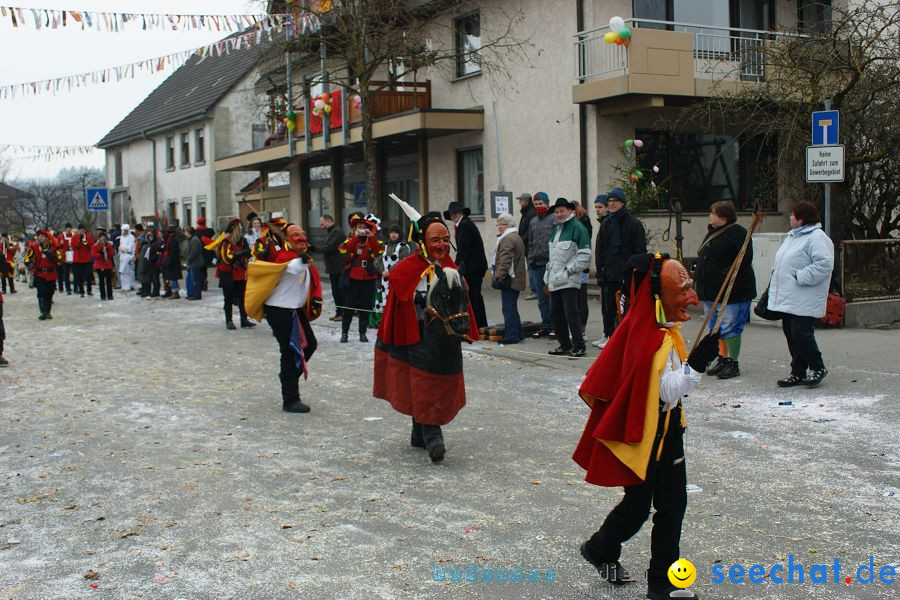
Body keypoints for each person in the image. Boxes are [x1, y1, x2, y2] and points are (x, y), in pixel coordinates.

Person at [573, 254, 721, 600]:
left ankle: (601, 548)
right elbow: (666, 390)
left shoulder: (657, 332)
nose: (692, 298)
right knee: (668, 505)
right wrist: (697, 363)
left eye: (690, 288)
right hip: (654, 435)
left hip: (663, 429)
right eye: (682, 291)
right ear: (658, 297)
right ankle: (663, 584)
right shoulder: (651, 339)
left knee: (644, 504)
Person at [373, 210, 480, 464]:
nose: (442, 244)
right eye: (435, 240)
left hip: (447, 335)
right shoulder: (409, 266)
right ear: (423, 242)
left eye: (445, 239)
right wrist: (422, 297)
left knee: (438, 380)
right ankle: (433, 436)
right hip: (418, 333)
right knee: (423, 382)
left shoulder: (450, 266)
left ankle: (418, 432)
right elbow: (401, 288)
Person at [245, 224, 322, 413]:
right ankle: (290, 399)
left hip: (294, 310)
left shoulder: (299, 258)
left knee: (309, 344)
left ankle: (288, 378)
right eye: (296, 236)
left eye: (303, 235)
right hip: (279, 310)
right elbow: (293, 268)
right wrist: (302, 258)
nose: (302, 239)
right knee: (289, 352)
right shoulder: (286, 258)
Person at [770, 200, 834, 388]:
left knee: (801, 334)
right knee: (791, 333)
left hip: (805, 296)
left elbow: (824, 264)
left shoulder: (817, 238)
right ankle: (797, 371)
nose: (790, 217)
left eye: (793, 214)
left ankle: (818, 367)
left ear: (802, 218)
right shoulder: (793, 237)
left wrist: (800, 276)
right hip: (790, 297)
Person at [692, 201, 756, 379]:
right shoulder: (713, 233)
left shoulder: (738, 234)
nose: (709, 216)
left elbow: (743, 262)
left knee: (730, 327)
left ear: (723, 217)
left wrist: (725, 274)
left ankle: (732, 362)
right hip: (711, 291)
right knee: (715, 329)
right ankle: (722, 357)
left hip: (734, 292)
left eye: (712, 213)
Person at [595, 187, 647, 348]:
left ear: (622, 203)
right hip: (610, 274)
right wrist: (600, 271)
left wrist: (634, 272)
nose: (611, 204)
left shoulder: (634, 224)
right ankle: (610, 336)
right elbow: (600, 249)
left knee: (625, 310)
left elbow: (639, 251)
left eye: (614, 201)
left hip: (627, 275)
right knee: (609, 309)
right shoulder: (606, 223)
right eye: (609, 201)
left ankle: (626, 340)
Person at [545, 198, 591, 357]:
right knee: (555, 315)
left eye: (561, 211)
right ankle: (564, 344)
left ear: (570, 211)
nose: (558, 214)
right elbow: (553, 258)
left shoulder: (578, 228)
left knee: (571, 314)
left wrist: (568, 272)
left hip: (569, 281)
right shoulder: (555, 230)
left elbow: (584, 255)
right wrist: (547, 276)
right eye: (556, 212)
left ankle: (579, 345)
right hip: (554, 280)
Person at [338, 215, 384, 343]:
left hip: (368, 277)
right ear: (354, 229)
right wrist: (355, 237)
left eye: (364, 228)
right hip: (353, 276)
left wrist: (371, 237)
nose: (362, 230)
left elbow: (377, 252)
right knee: (349, 306)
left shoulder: (374, 241)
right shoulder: (349, 241)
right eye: (359, 228)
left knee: (366, 306)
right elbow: (347, 251)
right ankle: (344, 333)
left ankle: (362, 333)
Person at [444, 201, 488, 329]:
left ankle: (478, 325)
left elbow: (463, 250)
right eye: (452, 214)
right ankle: (480, 324)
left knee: (474, 296)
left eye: (456, 213)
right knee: (475, 296)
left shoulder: (464, 226)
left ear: (461, 213)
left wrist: (455, 266)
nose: (453, 215)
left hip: (473, 268)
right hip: (475, 266)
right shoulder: (463, 224)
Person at [491, 213, 526, 344]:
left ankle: (512, 335)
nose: (499, 226)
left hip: (510, 279)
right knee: (511, 307)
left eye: (503, 224)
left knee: (508, 308)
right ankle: (518, 333)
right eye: (498, 224)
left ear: (509, 225)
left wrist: (499, 276)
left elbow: (506, 260)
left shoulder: (508, 239)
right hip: (514, 277)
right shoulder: (514, 236)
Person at [213, 218, 254, 329]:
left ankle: (244, 320)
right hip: (228, 274)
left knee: (242, 298)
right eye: (240, 226)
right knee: (228, 299)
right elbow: (227, 258)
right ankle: (229, 321)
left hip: (240, 273)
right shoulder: (226, 241)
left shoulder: (242, 241)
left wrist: (248, 253)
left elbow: (248, 255)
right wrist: (241, 253)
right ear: (235, 228)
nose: (242, 227)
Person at [372, 223, 411, 326]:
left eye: (396, 233)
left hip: (398, 281)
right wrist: (382, 271)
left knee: (396, 304)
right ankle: (386, 323)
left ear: (399, 234)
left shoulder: (403, 247)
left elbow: (403, 261)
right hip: (385, 280)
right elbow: (377, 260)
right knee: (385, 303)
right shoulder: (384, 246)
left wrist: (391, 272)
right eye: (391, 233)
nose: (393, 235)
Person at [527, 192, 554, 337]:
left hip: (550, 265)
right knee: (541, 299)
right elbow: (530, 243)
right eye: (536, 204)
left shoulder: (553, 219)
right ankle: (545, 325)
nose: (538, 207)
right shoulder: (533, 221)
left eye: (541, 204)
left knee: (552, 297)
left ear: (547, 204)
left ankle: (555, 326)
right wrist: (530, 260)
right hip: (536, 265)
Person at [24, 230, 64, 320]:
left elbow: (60, 259)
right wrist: (32, 269)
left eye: (42, 236)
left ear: (47, 238)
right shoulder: (34, 247)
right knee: (41, 293)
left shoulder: (54, 248)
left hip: (51, 274)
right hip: (39, 273)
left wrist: (51, 256)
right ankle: (43, 312)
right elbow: (27, 259)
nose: (40, 238)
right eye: (39, 236)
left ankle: (48, 312)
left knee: (49, 293)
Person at [319, 214, 346, 322]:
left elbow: (329, 248)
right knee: (335, 292)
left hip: (338, 268)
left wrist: (313, 248)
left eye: (322, 223)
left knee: (339, 291)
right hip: (333, 268)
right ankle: (339, 312)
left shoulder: (337, 232)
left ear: (328, 220)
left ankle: (342, 313)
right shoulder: (332, 231)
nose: (321, 226)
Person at [591, 195, 609, 348]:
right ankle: (606, 333)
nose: (597, 210)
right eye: (596, 207)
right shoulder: (602, 223)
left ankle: (610, 334)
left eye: (600, 207)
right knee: (605, 305)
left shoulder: (608, 223)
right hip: (603, 270)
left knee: (610, 306)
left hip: (609, 271)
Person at [574, 202, 594, 332]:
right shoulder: (585, 221)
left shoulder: (582, 224)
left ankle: (582, 328)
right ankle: (579, 327)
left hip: (581, 268)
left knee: (580, 298)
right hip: (580, 267)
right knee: (578, 299)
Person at [92, 231, 115, 301]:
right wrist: (100, 254)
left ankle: (110, 295)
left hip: (108, 265)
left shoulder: (109, 245)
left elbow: (112, 253)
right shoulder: (96, 245)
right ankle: (103, 295)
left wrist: (107, 251)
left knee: (108, 281)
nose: (103, 241)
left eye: (104, 239)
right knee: (101, 281)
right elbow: (93, 254)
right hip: (100, 265)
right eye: (101, 239)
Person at [71, 224, 94, 297]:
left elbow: (90, 245)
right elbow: (74, 246)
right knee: (79, 276)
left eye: (83, 229)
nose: (82, 230)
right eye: (80, 229)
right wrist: (79, 241)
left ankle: (89, 290)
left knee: (88, 275)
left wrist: (84, 239)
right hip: (78, 260)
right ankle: (81, 291)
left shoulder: (88, 236)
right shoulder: (75, 237)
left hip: (86, 259)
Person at [195, 217, 216, 292]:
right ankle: (204, 281)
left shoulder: (196, 232)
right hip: (207, 252)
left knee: (199, 269)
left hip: (199, 251)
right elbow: (212, 234)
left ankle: (201, 283)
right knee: (204, 268)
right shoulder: (209, 231)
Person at [162, 225, 182, 299]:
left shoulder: (173, 240)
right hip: (170, 260)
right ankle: (173, 291)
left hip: (173, 262)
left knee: (173, 278)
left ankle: (175, 292)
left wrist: (169, 262)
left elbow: (173, 252)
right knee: (171, 278)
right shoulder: (169, 239)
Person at [185, 227, 204, 300]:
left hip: (195, 263)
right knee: (192, 279)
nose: (185, 233)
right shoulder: (192, 240)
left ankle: (197, 295)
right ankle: (193, 294)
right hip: (193, 263)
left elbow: (194, 252)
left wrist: (188, 260)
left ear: (189, 232)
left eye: (186, 232)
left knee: (195, 280)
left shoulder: (194, 240)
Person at [117, 224, 136, 292]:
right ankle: (124, 285)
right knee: (122, 272)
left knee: (128, 271)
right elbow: (121, 245)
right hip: (123, 256)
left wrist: (124, 249)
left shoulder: (131, 237)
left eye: (125, 231)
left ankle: (129, 285)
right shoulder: (122, 237)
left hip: (128, 256)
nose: (124, 232)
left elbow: (130, 248)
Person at [57, 223, 74, 295]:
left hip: (72, 256)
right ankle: (67, 288)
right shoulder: (61, 236)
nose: (69, 229)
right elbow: (57, 246)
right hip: (64, 257)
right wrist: (60, 244)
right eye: (67, 228)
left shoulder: (73, 235)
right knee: (65, 273)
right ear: (66, 228)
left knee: (74, 272)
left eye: (70, 228)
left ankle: (74, 287)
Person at [517, 192, 535, 259]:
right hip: (526, 245)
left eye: (521, 200)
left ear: (526, 201)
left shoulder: (531, 213)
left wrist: (522, 239)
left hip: (529, 246)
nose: (519, 202)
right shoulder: (526, 212)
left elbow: (530, 230)